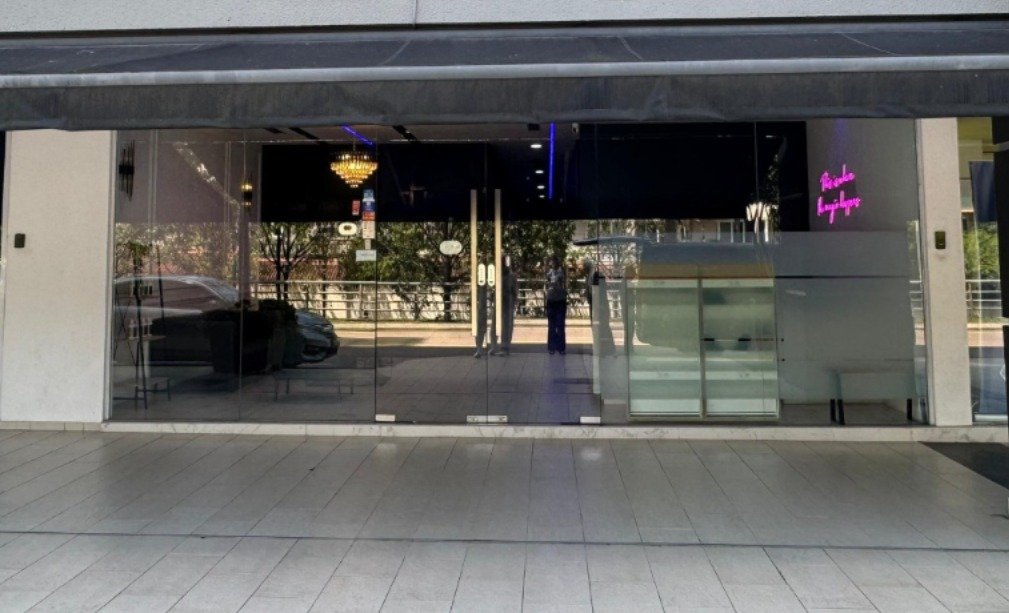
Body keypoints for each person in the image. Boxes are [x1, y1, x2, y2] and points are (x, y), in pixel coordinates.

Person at [491, 256, 519, 356]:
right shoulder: (496, 274)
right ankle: (494, 346)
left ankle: (505, 347)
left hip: (507, 300)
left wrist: (515, 300)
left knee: (506, 324)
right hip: (499, 300)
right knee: (495, 323)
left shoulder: (511, 276)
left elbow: (514, 290)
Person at [545, 256, 567, 355]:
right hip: (551, 300)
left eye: (553, 262)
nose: (552, 264)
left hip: (560, 300)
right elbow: (547, 283)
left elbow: (560, 283)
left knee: (560, 324)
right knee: (551, 325)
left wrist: (552, 282)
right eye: (551, 262)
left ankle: (561, 347)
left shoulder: (561, 272)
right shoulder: (549, 272)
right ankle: (552, 347)